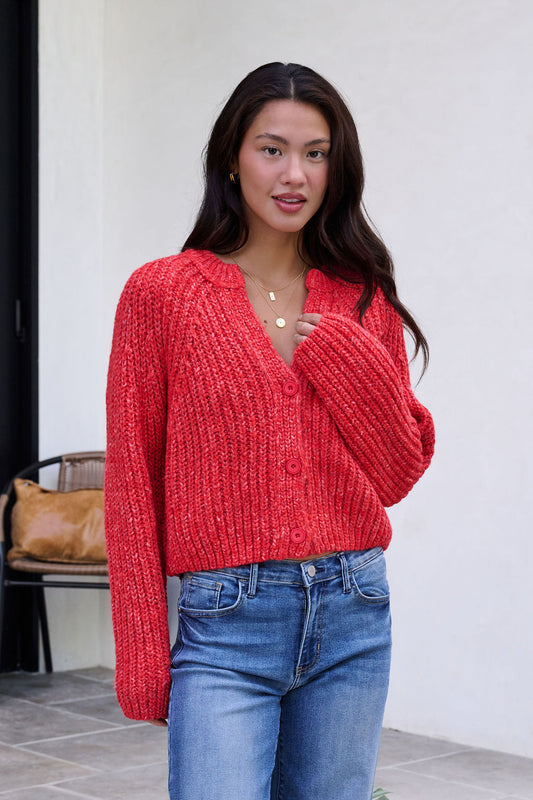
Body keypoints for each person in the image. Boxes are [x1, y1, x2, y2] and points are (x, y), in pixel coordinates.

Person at [104, 62, 435, 800]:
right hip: (225, 622)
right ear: (231, 157)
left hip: (353, 610)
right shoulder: (162, 293)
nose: (294, 174)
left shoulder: (360, 296)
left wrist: (352, 367)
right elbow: (132, 484)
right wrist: (143, 651)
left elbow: (397, 472)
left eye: (315, 153)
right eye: (271, 148)